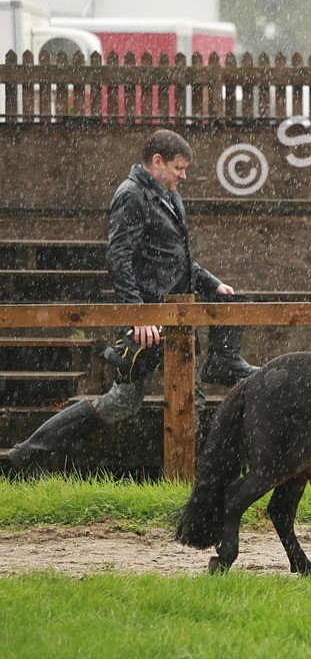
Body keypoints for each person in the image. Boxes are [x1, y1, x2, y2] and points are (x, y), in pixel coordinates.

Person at [9, 129, 259, 470]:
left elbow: (177, 259)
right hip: (147, 323)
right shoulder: (131, 195)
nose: (183, 176)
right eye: (179, 168)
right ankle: (25, 455)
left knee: (192, 399)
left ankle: (197, 482)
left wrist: (213, 283)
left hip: (177, 319)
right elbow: (118, 256)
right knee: (121, 403)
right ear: (157, 162)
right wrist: (137, 315)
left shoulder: (170, 196)